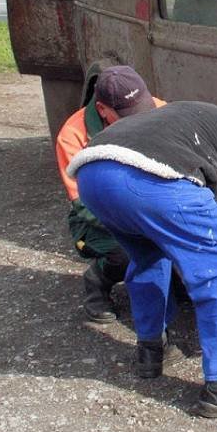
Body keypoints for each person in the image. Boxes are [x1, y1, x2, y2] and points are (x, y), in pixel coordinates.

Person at [66, 101, 217, 418]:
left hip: (93, 173)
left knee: (148, 254)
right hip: (146, 176)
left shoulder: (204, 124)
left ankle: (151, 351)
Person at [55, 66, 165, 323]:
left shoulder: (161, 109)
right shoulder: (72, 137)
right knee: (128, 249)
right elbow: (83, 205)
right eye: (128, 114)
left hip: (147, 202)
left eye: (142, 110)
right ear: (103, 110)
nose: (140, 119)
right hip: (97, 215)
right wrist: (140, 227)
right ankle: (98, 280)